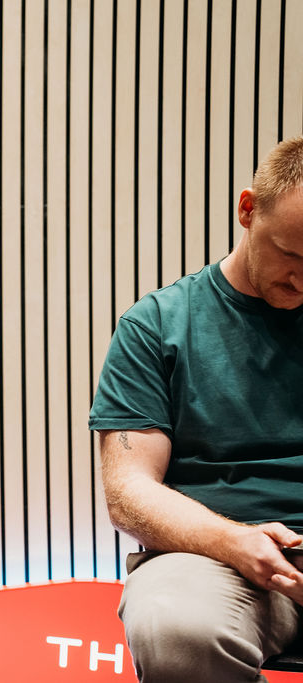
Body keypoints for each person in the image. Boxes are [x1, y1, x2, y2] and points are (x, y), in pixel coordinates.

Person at [89, 136, 303, 682]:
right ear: (248, 210)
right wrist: (236, 542)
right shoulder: (158, 325)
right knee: (176, 629)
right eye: (292, 255)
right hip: (214, 558)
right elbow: (128, 493)